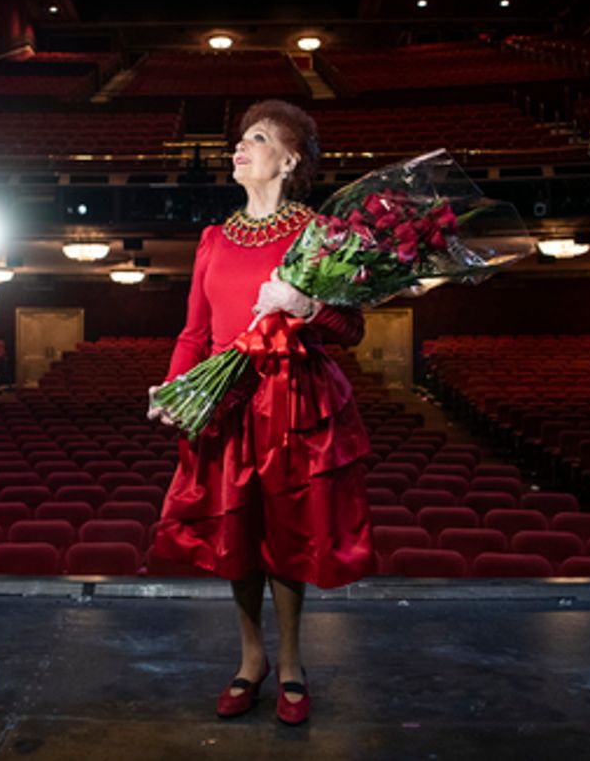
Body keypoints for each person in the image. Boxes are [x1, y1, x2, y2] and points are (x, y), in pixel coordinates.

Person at [147, 99, 373, 726]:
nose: (238, 149)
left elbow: (350, 328)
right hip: (225, 402)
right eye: (239, 141)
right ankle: (252, 661)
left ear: (289, 158)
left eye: (256, 138)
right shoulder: (214, 239)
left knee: (287, 537)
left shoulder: (319, 235)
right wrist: (174, 389)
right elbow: (195, 333)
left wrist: (305, 304)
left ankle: (294, 663)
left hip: (292, 401)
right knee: (236, 537)